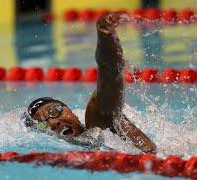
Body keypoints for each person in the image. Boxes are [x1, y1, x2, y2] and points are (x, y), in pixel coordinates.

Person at [24, 12, 156, 153]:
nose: (52, 122)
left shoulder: (97, 120)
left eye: (54, 111)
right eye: (43, 124)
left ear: (70, 111)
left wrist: (105, 36)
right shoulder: (79, 147)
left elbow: (109, 72)